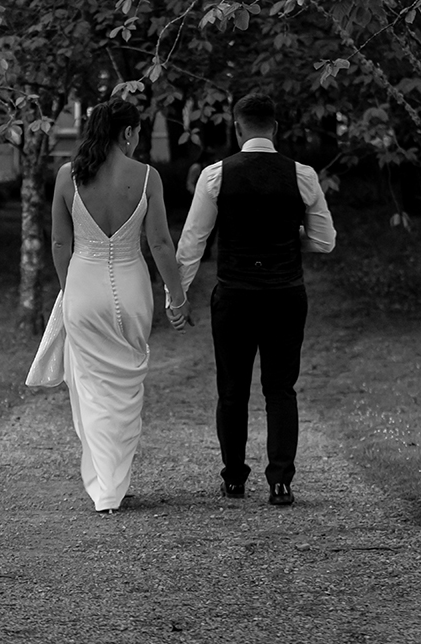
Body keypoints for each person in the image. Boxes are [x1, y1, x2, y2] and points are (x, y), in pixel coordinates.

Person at [171, 92, 336, 507]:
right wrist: (291, 236)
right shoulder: (302, 175)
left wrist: (179, 296)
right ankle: (280, 481)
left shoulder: (215, 175)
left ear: (238, 127)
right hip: (285, 294)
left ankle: (234, 478)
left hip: (235, 296)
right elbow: (325, 241)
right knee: (281, 388)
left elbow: (193, 243)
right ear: (275, 129)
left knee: (232, 389)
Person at [50, 98, 188, 513]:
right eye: (138, 132)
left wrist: (68, 289)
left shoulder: (67, 176)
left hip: (83, 287)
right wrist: (177, 297)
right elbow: (161, 243)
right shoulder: (147, 177)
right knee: (126, 389)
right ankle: (113, 483)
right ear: (127, 133)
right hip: (132, 290)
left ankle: (106, 483)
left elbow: (60, 243)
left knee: (91, 388)